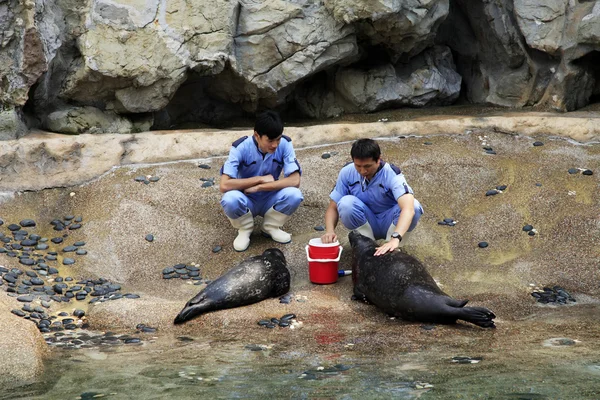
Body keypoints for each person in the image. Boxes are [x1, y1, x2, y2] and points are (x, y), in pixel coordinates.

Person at [321, 138, 423, 256]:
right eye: (358, 166)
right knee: (345, 203)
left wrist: (395, 238)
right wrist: (329, 231)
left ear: (378, 159)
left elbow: (408, 209)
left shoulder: (391, 174)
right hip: (366, 220)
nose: (363, 171)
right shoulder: (346, 172)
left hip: (390, 222)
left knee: (414, 206)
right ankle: (367, 246)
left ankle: (392, 247)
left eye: (367, 166)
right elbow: (333, 207)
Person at [220, 110, 303, 251]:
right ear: (257, 135)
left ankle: (270, 226)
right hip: (246, 197)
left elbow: (295, 180)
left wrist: (261, 187)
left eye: (278, 139)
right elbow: (224, 184)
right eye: (270, 141)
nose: (275, 145)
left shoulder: (285, 143)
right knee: (229, 199)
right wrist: (259, 179)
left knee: (295, 195)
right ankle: (244, 229)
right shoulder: (240, 147)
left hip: (270, 196)